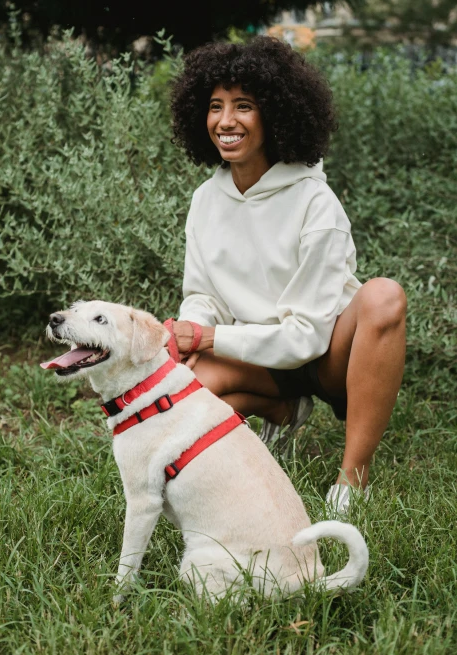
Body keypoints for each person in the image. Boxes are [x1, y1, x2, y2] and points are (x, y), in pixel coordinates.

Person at [167, 37, 407, 513]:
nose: (225, 121)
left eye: (244, 106)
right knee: (184, 392)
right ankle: (282, 411)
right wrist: (189, 336)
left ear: (275, 114)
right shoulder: (205, 200)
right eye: (215, 106)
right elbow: (202, 296)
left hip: (326, 359)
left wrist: (209, 338)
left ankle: (351, 479)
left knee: (384, 296)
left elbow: (305, 339)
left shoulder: (315, 202)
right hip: (260, 359)